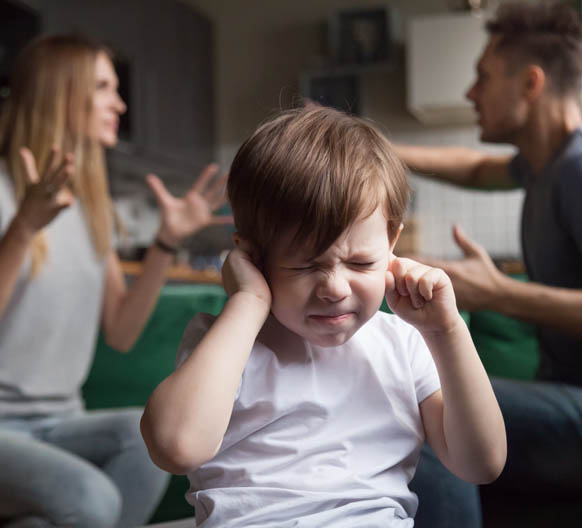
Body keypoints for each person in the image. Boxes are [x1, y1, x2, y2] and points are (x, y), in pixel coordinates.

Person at [140, 104, 506, 527]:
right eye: (305, 265)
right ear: (252, 256)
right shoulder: (226, 344)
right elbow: (174, 447)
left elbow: (482, 463)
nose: (334, 288)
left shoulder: (404, 344)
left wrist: (447, 331)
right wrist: (248, 303)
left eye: (361, 264)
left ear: (392, 243)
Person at [394, 0, 582, 522]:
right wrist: (375, 146)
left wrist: (497, 294)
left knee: (423, 408)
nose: (470, 93)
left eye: (483, 77)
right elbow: (472, 168)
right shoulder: (548, 162)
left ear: (530, 83)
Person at [0, 34, 232, 527]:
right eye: (104, 86)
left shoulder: (90, 206)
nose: (120, 103)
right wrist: (22, 229)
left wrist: (165, 244)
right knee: (90, 499)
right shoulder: (4, 194)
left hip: (60, 421)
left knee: (143, 441)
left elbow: (122, 331)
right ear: (62, 93)